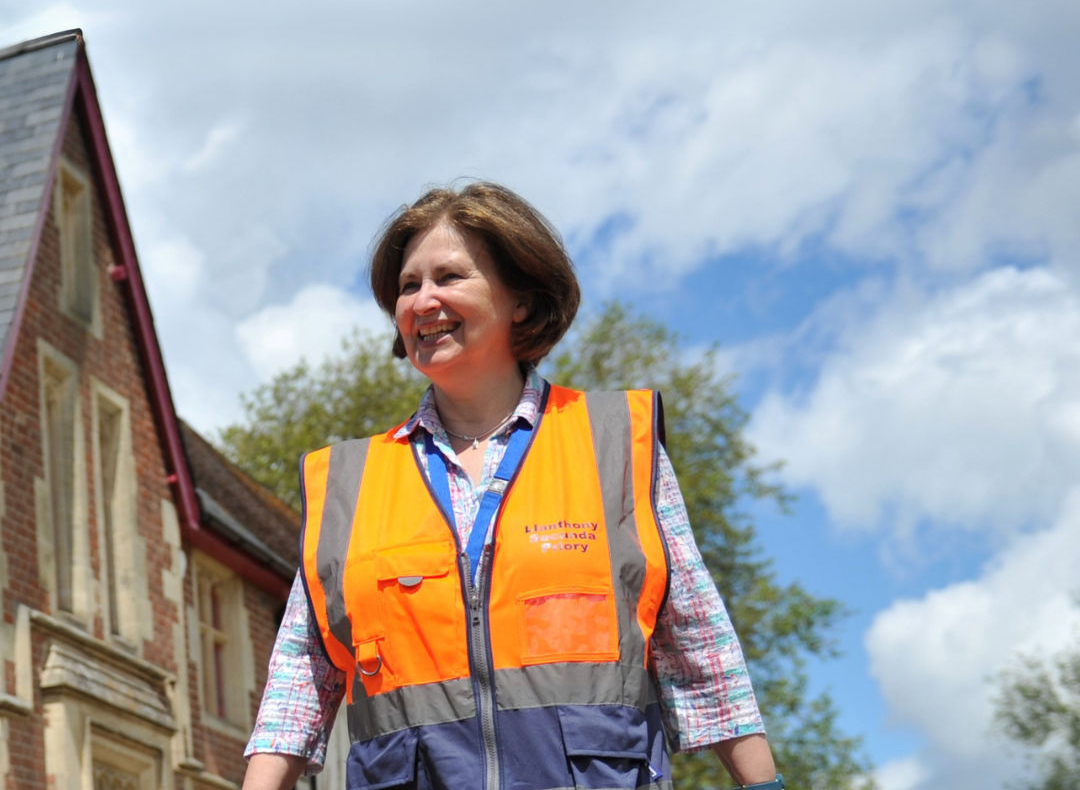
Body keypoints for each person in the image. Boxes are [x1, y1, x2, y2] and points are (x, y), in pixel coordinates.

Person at [242, 182, 783, 790]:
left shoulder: (614, 444)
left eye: (449, 277)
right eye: (408, 286)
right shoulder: (348, 482)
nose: (424, 300)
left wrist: (763, 784)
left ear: (521, 300)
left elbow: (700, 651)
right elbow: (299, 681)